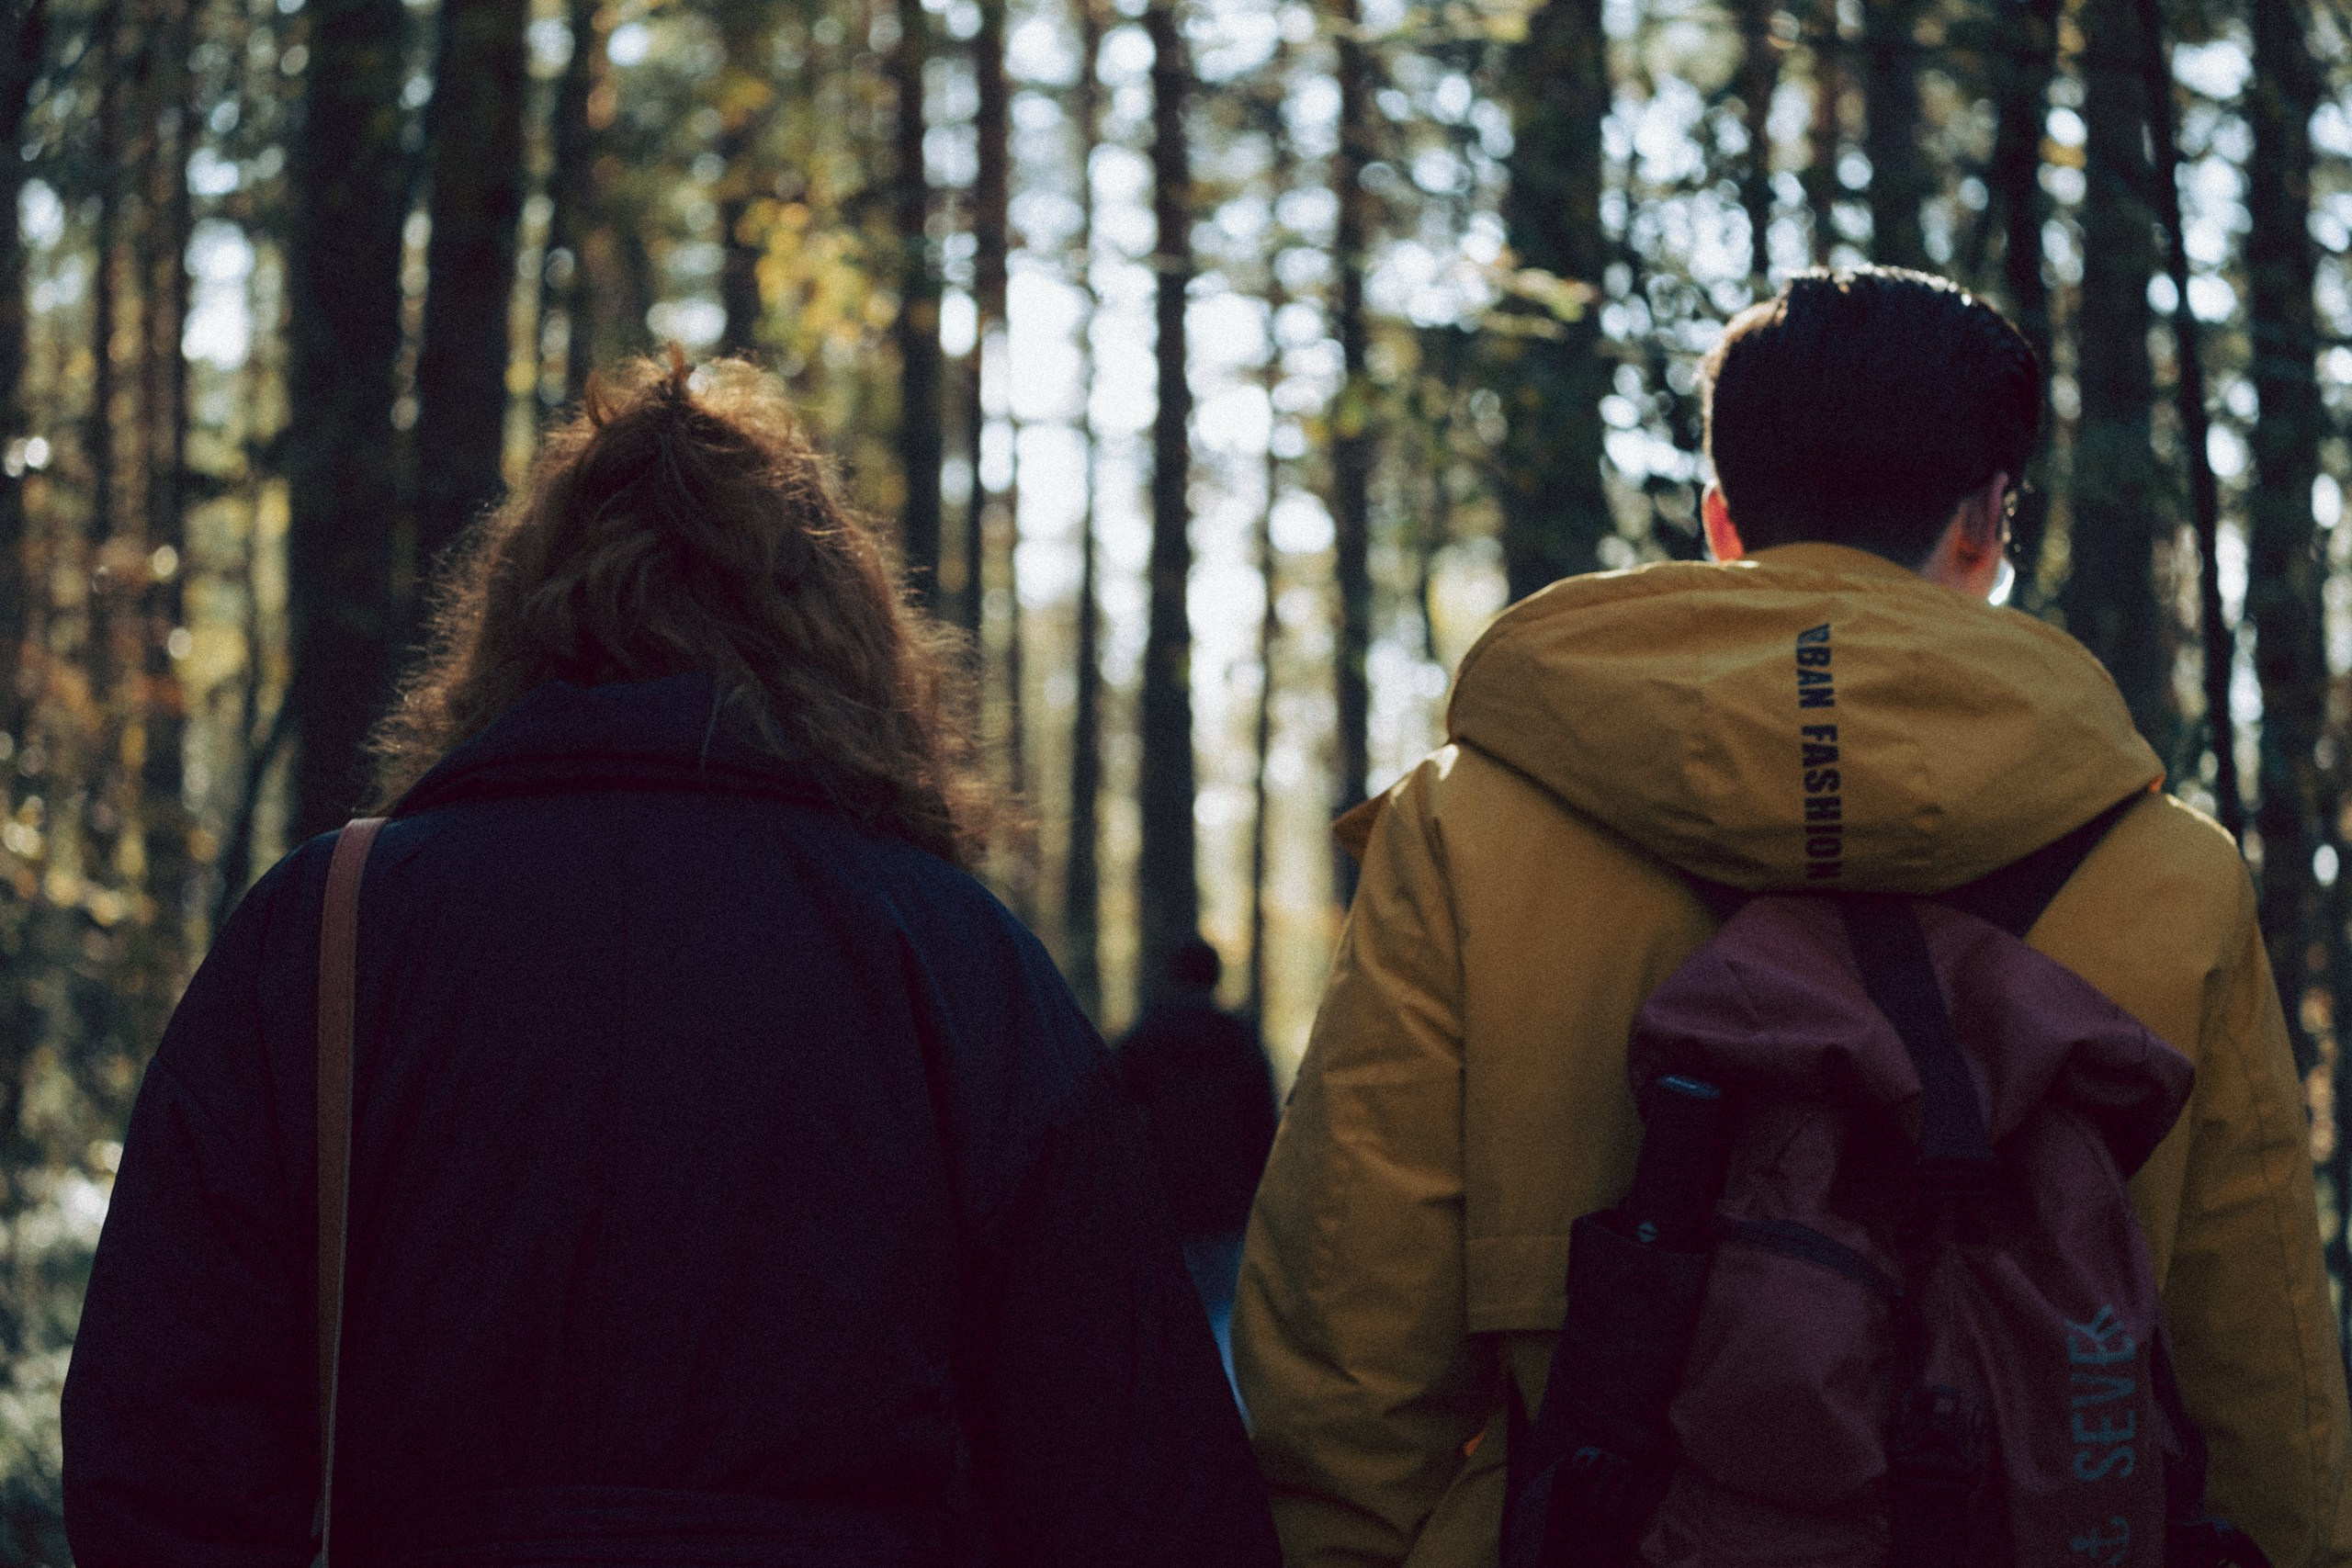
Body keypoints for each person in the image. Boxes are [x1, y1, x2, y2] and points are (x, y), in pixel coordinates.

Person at [62, 354, 1280, 1567]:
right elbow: (1138, 1476)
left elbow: (159, 1435)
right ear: (839, 633)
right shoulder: (955, 958)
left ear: (518, 620)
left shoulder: (328, 929)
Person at [1235, 269, 2352, 1566]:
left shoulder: (1470, 830)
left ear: (1721, 520)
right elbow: (2266, 1386)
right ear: (1989, 520)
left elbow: (1346, 1350)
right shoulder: (2177, 876)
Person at [1114, 938, 1280, 1392]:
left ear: (1173, 975)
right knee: (1225, 1316)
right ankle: (1226, 1418)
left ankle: (1174, 1416)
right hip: (1229, 1206)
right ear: (1215, 977)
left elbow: (1112, 1124)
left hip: (1163, 1205)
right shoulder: (1242, 1042)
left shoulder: (1144, 1041)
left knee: (1166, 1316)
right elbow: (1265, 1129)